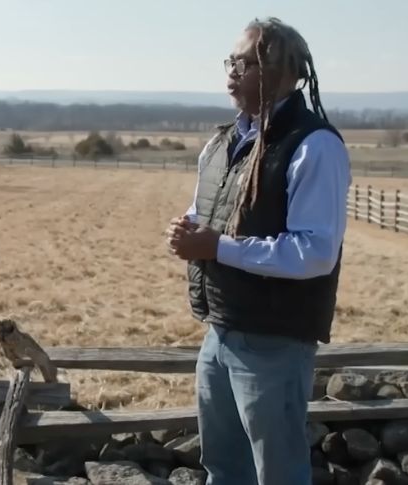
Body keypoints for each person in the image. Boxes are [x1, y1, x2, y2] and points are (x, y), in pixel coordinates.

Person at [165, 17, 350, 485]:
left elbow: (315, 252)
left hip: (274, 338)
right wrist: (187, 231)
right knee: (224, 468)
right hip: (221, 328)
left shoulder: (313, 145)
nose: (233, 70)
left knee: (278, 472)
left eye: (246, 62)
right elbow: (208, 213)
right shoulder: (223, 141)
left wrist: (216, 247)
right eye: (231, 60)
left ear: (283, 70)